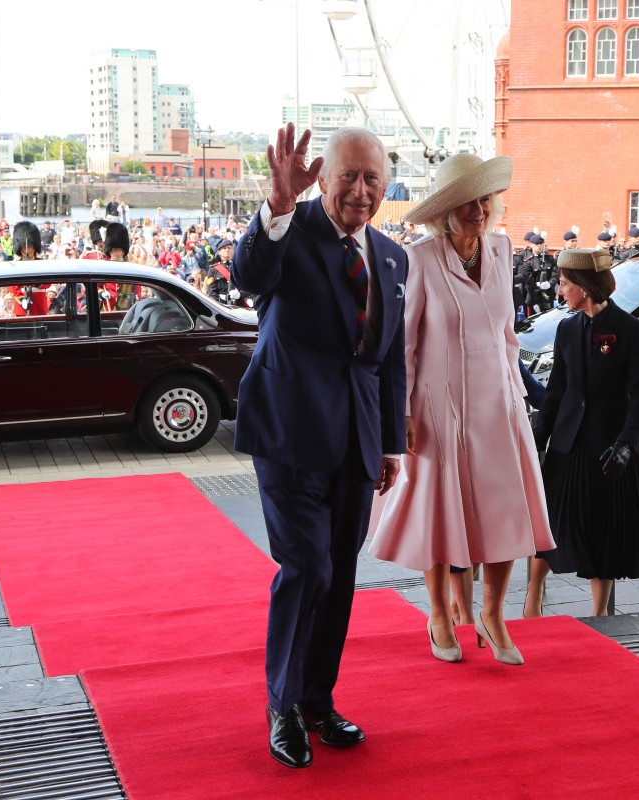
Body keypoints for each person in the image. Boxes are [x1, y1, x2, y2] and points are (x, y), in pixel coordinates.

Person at [230, 123, 407, 770]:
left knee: (340, 579)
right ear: (323, 178)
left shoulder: (392, 255)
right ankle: (281, 704)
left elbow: (388, 360)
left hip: (357, 440)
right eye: (349, 177)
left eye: (373, 179)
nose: (361, 191)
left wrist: (392, 441)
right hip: (289, 430)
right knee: (308, 568)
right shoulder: (291, 230)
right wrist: (276, 206)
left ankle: (315, 699)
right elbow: (248, 275)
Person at [369, 153, 554, 667]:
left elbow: (506, 332)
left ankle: (492, 617)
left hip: (499, 405)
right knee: (439, 513)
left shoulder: (502, 248)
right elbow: (401, 344)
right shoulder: (422, 258)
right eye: (468, 201)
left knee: (506, 511)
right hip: (438, 407)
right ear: (445, 209)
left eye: (484, 199)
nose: (479, 209)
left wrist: (516, 389)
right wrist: (402, 410)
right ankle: (439, 614)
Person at [526, 248, 639, 618]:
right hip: (566, 446)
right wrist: (537, 438)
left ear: (584, 287)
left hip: (608, 449)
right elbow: (556, 392)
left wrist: (626, 445)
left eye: (565, 284)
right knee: (552, 523)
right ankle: (532, 595)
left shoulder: (629, 329)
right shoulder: (567, 328)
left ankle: (600, 615)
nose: (560, 290)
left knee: (605, 529)